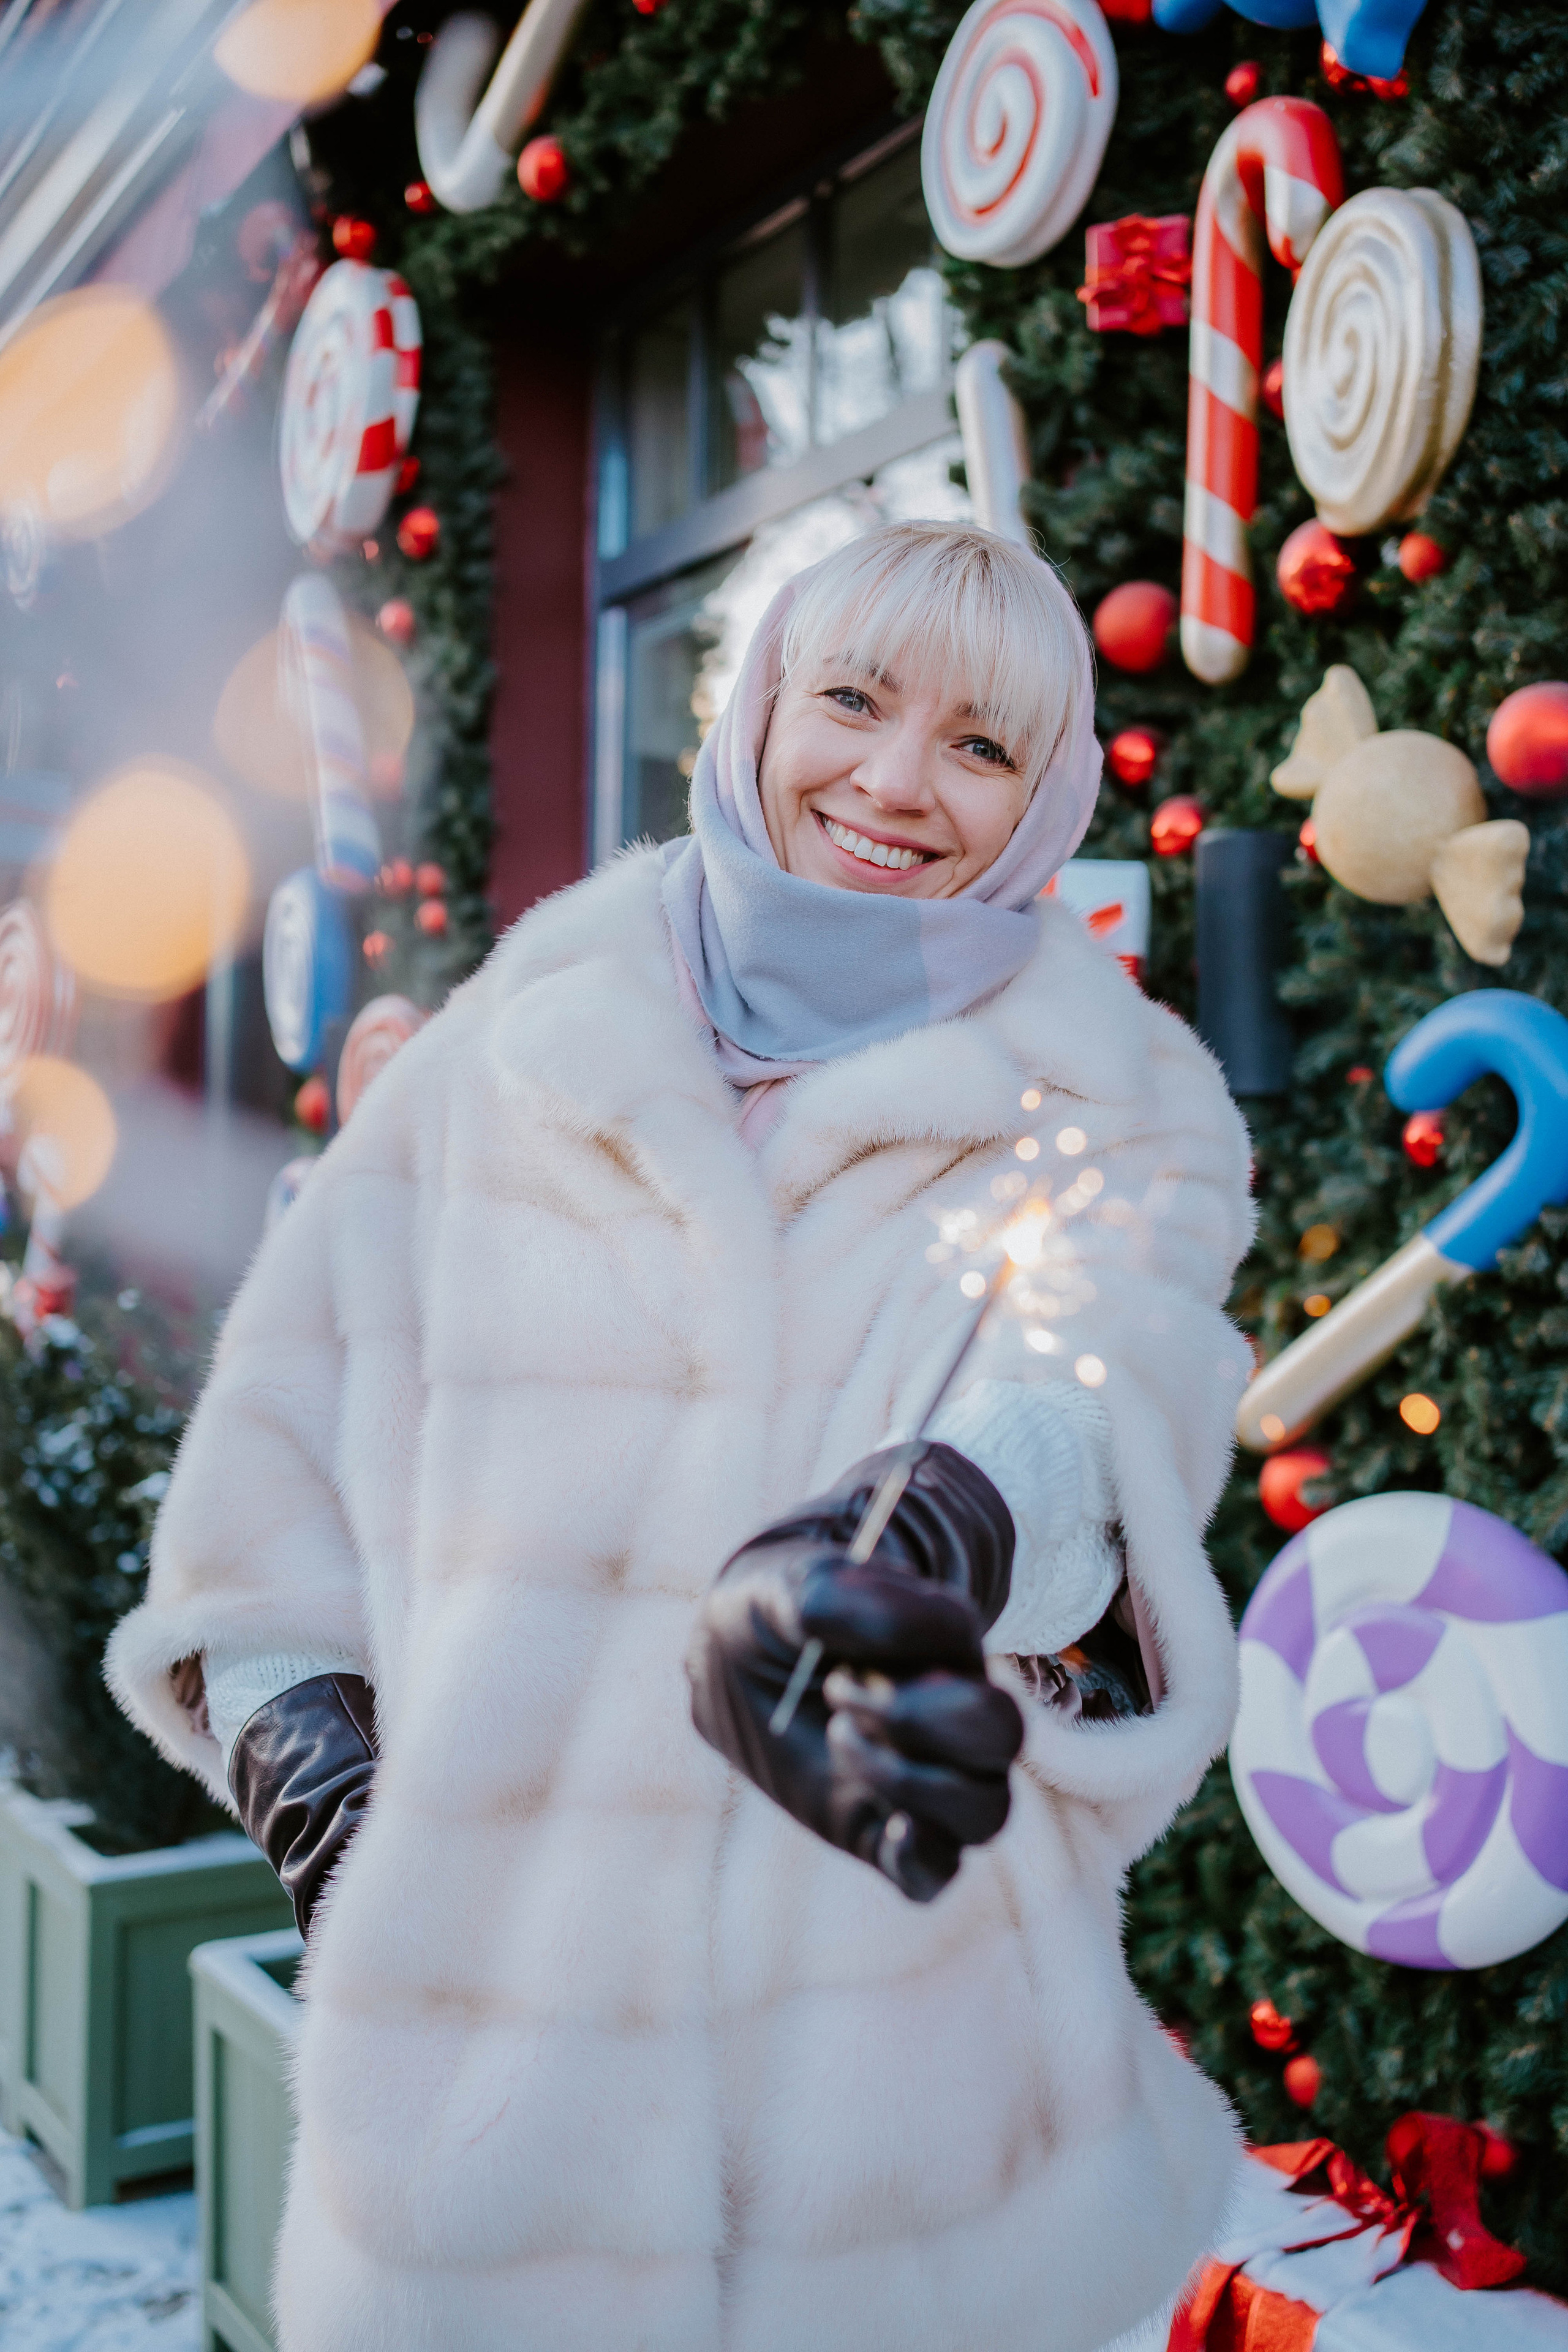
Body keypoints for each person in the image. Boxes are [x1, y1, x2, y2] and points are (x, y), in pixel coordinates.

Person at [110, 521, 1254, 2352]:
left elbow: (1104, 1395)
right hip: (492, 2121)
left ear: (1046, 795)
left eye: (979, 745)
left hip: (909, 2137)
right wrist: (332, 1800)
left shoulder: (1119, 1108)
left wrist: (923, 1535)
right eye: (855, 702)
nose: (893, 784)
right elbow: (270, 1462)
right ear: (760, 710)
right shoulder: (519, 1047)